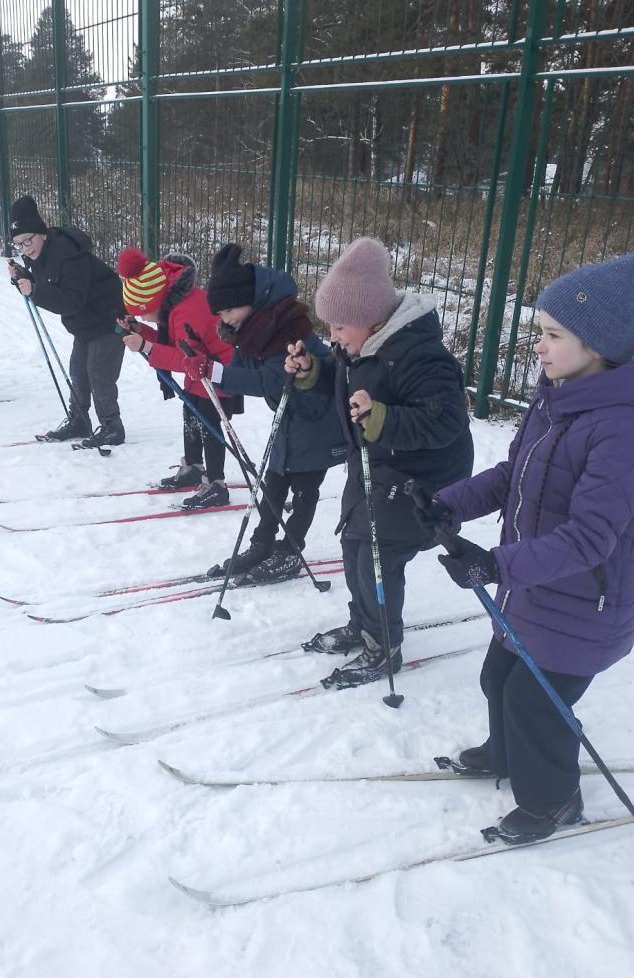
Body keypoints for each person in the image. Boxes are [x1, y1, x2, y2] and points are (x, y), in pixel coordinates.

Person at [416, 251, 634, 845]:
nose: (539, 347)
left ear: (598, 344)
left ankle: (553, 802)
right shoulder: (558, 400)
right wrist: (448, 502)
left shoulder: (626, 428)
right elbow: (511, 473)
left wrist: (495, 563)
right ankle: (507, 756)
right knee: (499, 678)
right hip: (537, 590)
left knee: (535, 702)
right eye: (539, 333)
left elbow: (591, 537)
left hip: (587, 606)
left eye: (552, 335)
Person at [285, 237, 474, 687]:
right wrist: (312, 370)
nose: (332, 336)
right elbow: (346, 379)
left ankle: (383, 643)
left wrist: (382, 417)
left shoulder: (421, 355)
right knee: (354, 547)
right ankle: (364, 623)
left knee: (376, 555)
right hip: (372, 463)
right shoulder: (359, 346)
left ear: (372, 321)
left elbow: (445, 419)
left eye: (339, 327)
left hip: (420, 478)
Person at [184, 243, 344, 582]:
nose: (223, 318)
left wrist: (214, 372)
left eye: (228, 310)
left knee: (304, 487)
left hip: (318, 416)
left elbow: (270, 380)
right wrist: (206, 364)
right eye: (220, 313)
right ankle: (261, 543)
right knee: (274, 482)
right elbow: (241, 372)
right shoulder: (251, 330)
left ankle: (291, 549)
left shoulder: (285, 326)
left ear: (250, 300)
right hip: (289, 417)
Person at [117, 248, 240, 509]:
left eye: (143, 313)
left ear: (155, 300)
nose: (142, 317)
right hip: (201, 373)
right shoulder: (174, 304)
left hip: (219, 374)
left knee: (209, 425)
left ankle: (217, 484)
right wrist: (141, 332)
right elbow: (173, 342)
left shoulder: (187, 311)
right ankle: (194, 468)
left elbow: (186, 359)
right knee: (191, 416)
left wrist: (146, 347)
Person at [8, 195, 125, 446]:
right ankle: (80, 420)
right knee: (79, 372)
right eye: (18, 244)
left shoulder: (69, 255)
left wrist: (34, 291)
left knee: (98, 374)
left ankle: (112, 427)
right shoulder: (39, 254)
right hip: (84, 323)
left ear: (43, 234)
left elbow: (71, 300)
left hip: (108, 318)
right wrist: (22, 277)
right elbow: (47, 283)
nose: (25, 248)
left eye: (28, 240)